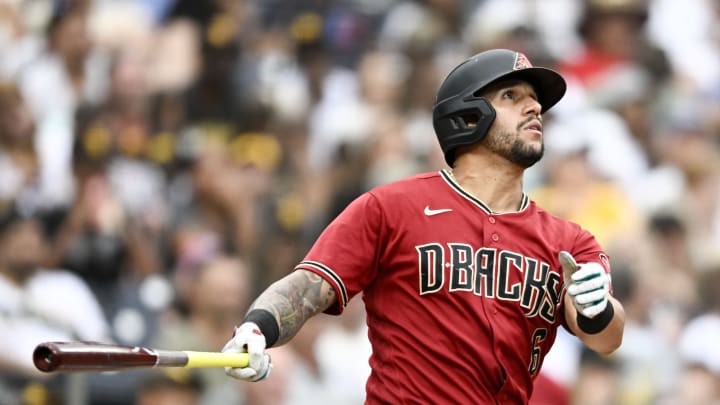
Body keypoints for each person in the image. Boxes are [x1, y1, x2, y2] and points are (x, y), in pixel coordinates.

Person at [221, 48, 625, 404]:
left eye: (536, 100)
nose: (535, 107)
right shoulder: (393, 207)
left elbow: (606, 338)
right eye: (511, 96)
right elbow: (309, 287)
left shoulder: (570, 241)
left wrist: (598, 309)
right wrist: (257, 329)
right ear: (468, 114)